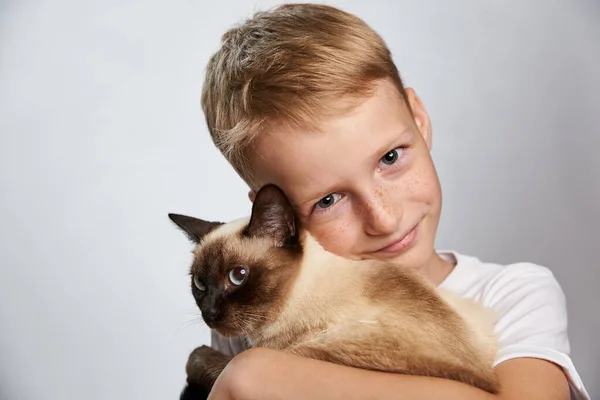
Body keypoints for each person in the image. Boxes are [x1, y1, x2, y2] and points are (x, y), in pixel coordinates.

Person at [198, 3, 590, 399]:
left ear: (419, 120)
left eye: (390, 158)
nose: (383, 219)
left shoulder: (512, 295)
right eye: (329, 200)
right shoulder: (247, 316)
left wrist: (253, 374)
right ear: (277, 222)